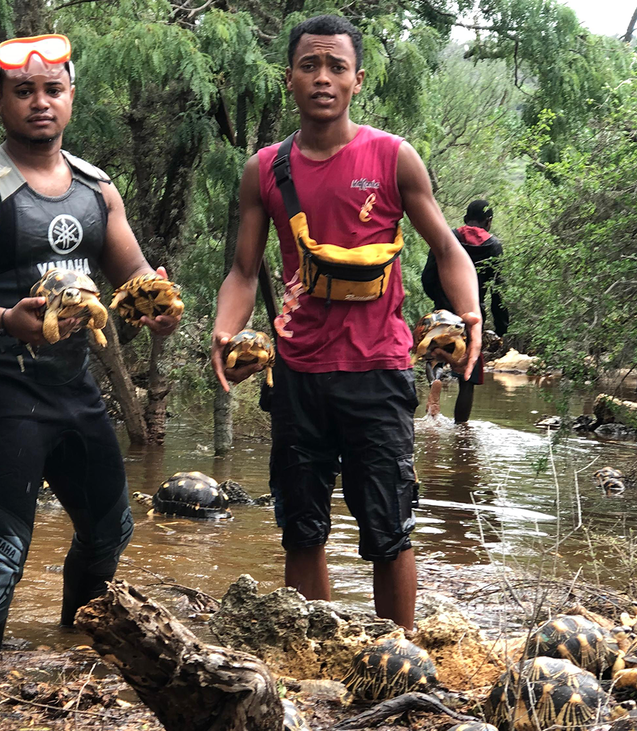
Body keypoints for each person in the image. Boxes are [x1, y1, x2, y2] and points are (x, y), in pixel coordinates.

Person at [209, 15, 482, 631]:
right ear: (289, 79)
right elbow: (245, 271)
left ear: (358, 79)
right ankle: (315, 652)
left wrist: (471, 314)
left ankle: (403, 657)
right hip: (298, 374)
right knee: (302, 530)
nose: (323, 78)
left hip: (378, 372)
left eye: (336, 66)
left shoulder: (392, 157)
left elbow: (446, 248)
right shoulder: (265, 170)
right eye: (310, 65)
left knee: (389, 529)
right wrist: (225, 332)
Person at [0, 33, 180, 654]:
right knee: (1, 551)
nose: (40, 102)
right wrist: (9, 320)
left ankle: (74, 646)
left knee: (111, 529)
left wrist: (156, 309)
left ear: (71, 97)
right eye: (24, 91)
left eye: (52, 90)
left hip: (72, 386)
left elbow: (135, 278)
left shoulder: (96, 189)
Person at [420, 199, 509, 423]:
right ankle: (462, 433)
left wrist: (440, 300)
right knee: (466, 380)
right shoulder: (494, 246)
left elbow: (428, 277)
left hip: (442, 315)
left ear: (464, 219)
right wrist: (501, 327)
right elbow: (499, 291)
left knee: (434, 359)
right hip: (472, 318)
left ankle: (435, 382)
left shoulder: (449, 238)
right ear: (489, 222)